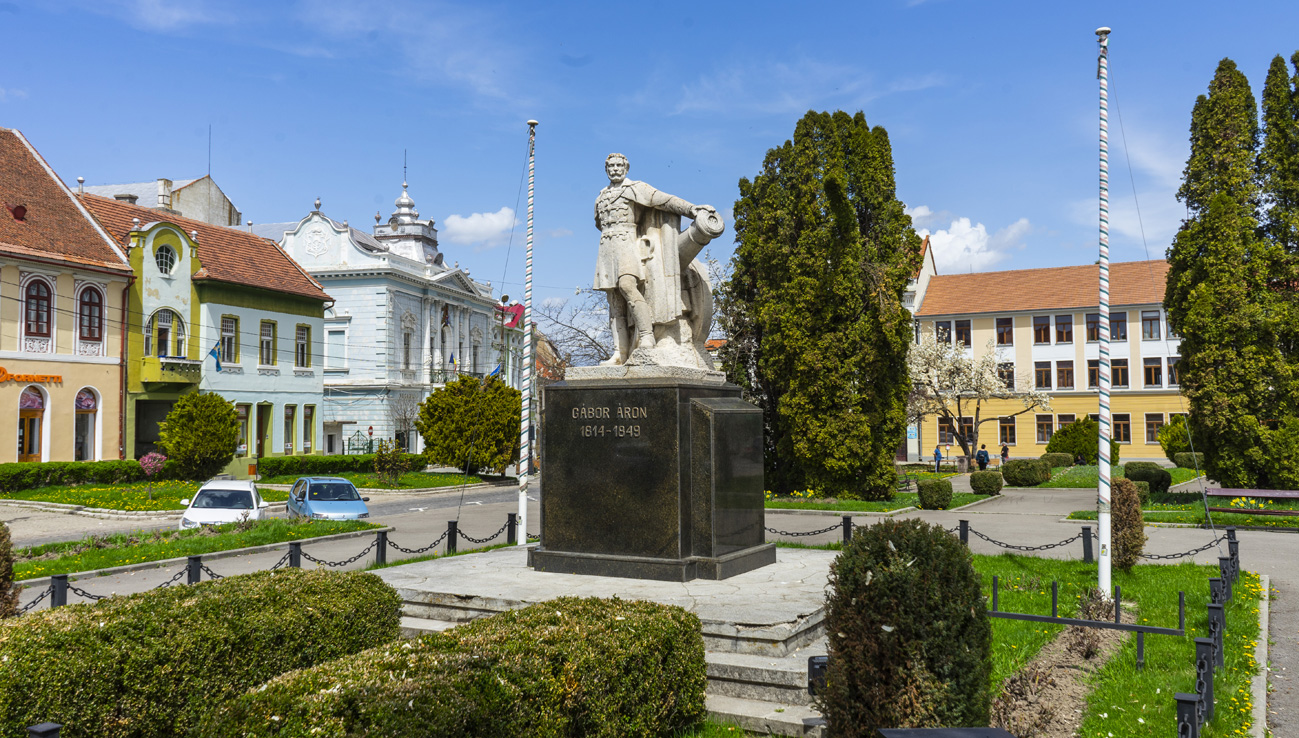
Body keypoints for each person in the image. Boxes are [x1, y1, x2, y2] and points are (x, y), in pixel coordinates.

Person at [593, 153, 716, 365]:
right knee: (614, 303)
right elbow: (599, 223)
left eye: (618, 166)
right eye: (611, 166)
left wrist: (691, 209)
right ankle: (619, 352)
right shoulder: (601, 196)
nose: (615, 169)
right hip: (607, 248)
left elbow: (663, 199)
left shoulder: (635, 189)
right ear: (606, 169)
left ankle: (647, 335)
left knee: (627, 286)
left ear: (626, 168)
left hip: (627, 243)